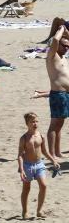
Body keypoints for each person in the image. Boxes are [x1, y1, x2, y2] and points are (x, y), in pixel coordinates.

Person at [18, 112, 58, 220]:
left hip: (39, 164)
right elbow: (20, 156)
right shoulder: (24, 138)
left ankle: (39, 210)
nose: (35, 124)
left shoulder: (41, 136)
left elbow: (44, 151)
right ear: (27, 123)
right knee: (26, 189)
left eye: (36, 121)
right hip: (27, 166)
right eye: (32, 122)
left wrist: (53, 160)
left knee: (44, 186)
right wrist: (21, 169)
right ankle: (25, 211)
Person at [46, 23, 69, 157]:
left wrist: (66, 35)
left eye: (68, 46)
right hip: (58, 94)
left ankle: (58, 152)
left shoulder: (64, 57)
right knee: (54, 124)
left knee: (60, 124)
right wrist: (61, 30)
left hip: (66, 94)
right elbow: (55, 40)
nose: (66, 48)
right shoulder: (52, 56)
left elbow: (64, 42)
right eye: (64, 46)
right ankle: (52, 153)